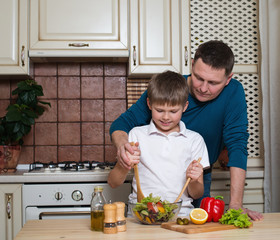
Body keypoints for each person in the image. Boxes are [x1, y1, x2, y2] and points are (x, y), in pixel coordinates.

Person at [109, 40, 263, 221]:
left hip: (197, 173)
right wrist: (123, 151)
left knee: (197, 224)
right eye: (199, 78)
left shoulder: (234, 92)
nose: (203, 88)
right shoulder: (170, 90)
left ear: (228, 79)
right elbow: (121, 124)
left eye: (213, 82)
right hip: (153, 182)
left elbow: (237, 144)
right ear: (191, 65)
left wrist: (236, 204)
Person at [108, 71, 210, 215]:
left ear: (185, 107)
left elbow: (197, 194)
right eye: (159, 110)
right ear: (149, 104)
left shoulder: (195, 140)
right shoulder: (136, 135)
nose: (166, 117)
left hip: (180, 215)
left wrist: (193, 180)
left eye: (173, 111)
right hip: (141, 215)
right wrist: (124, 166)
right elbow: (113, 183)